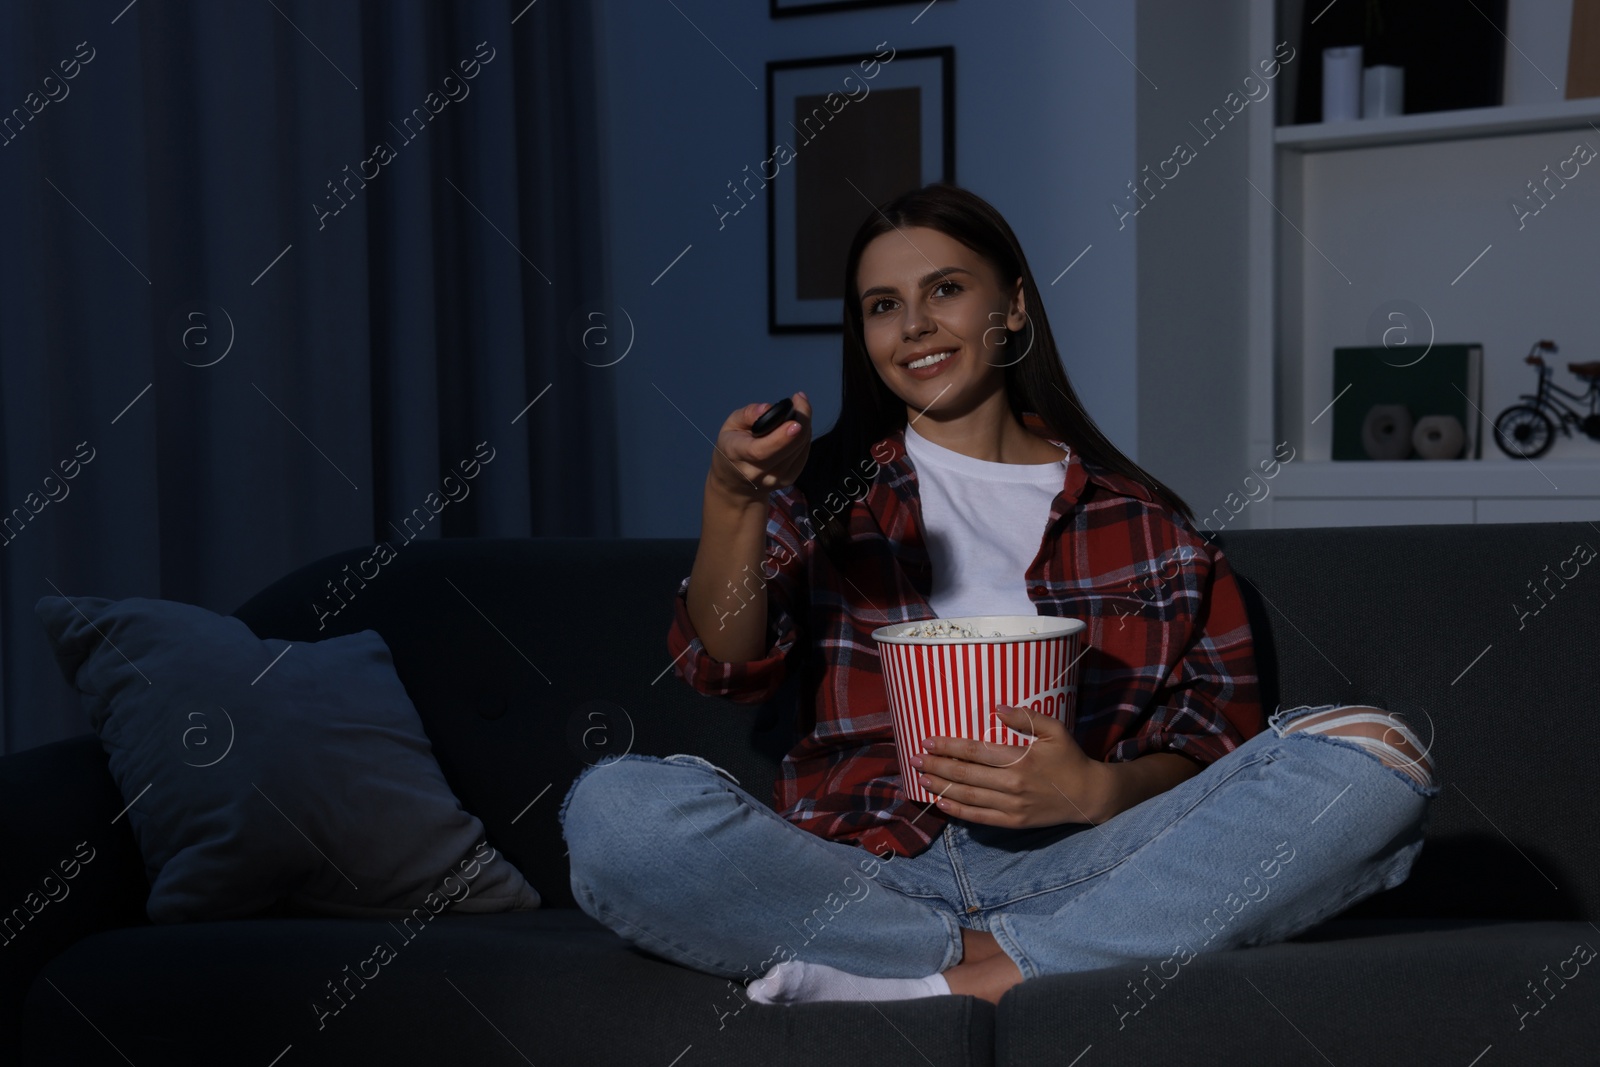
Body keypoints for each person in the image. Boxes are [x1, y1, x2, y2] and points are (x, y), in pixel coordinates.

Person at [559, 182, 1438, 1008]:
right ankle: (1010, 960)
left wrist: (1092, 791)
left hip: (1087, 862)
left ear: (1011, 307)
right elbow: (725, 662)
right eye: (882, 306)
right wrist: (734, 496)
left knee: (1373, 757)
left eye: (944, 289)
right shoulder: (825, 493)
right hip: (863, 870)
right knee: (615, 812)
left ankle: (961, 975)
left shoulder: (1148, 527)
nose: (914, 326)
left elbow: (1211, 747)